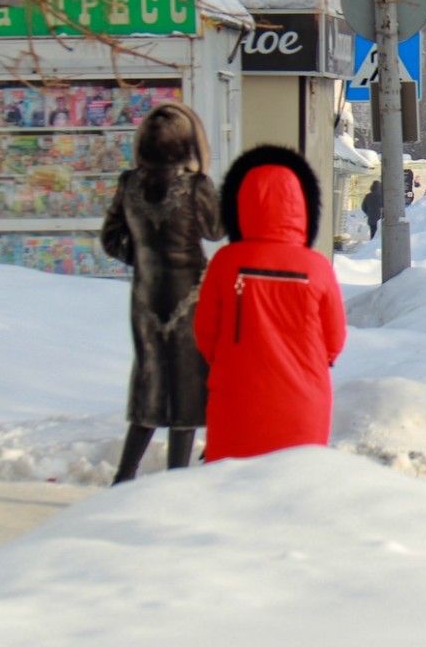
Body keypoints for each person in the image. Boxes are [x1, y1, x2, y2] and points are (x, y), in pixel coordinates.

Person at [194, 145, 347, 461]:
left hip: (235, 400)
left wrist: (228, 361)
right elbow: (335, 340)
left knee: (232, 492)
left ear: (240, 204)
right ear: (303, 208)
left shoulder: (225, 263)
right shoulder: (317, 267)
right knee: (296, 490)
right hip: (305, 402)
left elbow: (205, 332)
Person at [100, 103, 223, 483]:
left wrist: (141, 256)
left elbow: (109, 238)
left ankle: (125, 474)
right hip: (188, 295)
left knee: (149, 380)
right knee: (186, 386)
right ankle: (176, 480)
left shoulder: (130, 183)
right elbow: (215, 231)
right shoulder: (194, 187)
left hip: (146, 296)